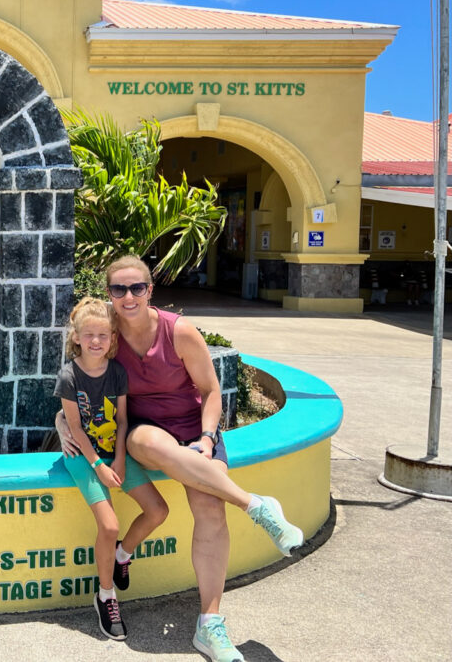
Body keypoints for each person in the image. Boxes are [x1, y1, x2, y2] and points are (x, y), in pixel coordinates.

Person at [57, 255, 303, 662]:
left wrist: (207, 438)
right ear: (109, 294)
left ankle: (210, 625)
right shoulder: (106, 335)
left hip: (194, 427)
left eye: (137, 287)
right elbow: (79, 380)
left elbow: (210, 391)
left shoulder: (178, 331)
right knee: (148, 446)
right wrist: (62, 421)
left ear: (150, 290)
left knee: (209, 508)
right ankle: (255, 505)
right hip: (144, 431)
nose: (129, 296)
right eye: (119, 289)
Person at [53, 297, 167, 641]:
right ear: (77, 337)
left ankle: (123, 554)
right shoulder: (69, 376)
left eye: (103, 335)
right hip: (83, 457)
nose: (96, 342)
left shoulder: (117, 372)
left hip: (112, 454)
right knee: (109, 524)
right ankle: (106, 595)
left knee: (158, 510)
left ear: (111, 338)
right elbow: (73, 427)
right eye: (89, 335)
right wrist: (99, 466)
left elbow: (122, 421)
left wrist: (118, 459)